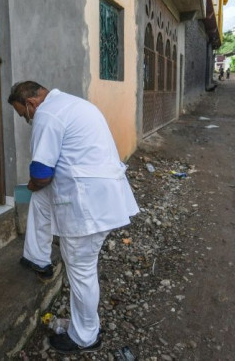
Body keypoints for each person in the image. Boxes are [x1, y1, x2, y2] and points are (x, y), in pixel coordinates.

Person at [8, 81, 140, 354]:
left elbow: (42, 174)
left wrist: (32, 184)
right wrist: (36, 189)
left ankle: (85, 337)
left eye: (23, 115)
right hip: (104, 195)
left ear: (31, 104)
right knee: (41, 200)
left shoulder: (46, 114)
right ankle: (38, 258)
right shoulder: (72, 104)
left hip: (88, 206)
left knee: (81, 270)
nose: (27, 120)